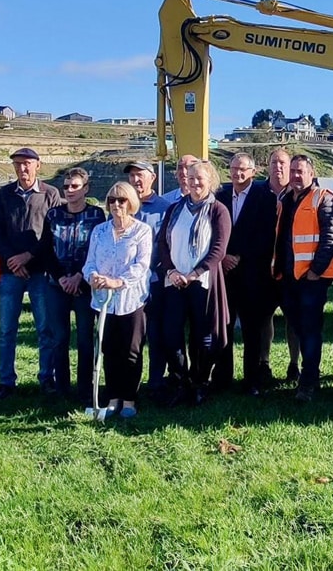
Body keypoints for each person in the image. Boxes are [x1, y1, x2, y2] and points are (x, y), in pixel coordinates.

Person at [157, 159, 231, 405]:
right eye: (191, 178)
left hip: (202, 283)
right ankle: (179, 380)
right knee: (171, 333)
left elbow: (219, 249)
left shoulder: (218, 210)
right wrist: (172, 272)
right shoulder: (174, 209)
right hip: (175, 282)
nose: (195, 182)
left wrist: (194, 273)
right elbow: (163, 244)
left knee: (202, 335)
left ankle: (200, 382)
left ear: (210, 181)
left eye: (200, 178)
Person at [0, 147, 61, 399]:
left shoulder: (50, 194)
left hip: (40, 272)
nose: (22, 168)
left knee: (45, 328)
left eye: (27, 164)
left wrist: (29, 256)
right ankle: (5, 381)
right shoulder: (5, 194)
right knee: (6, 329)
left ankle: (46, 378)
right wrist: (12, 259)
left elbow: (53, 234)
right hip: (10, 272)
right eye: (18, 164)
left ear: (38, 166)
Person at [273, 154, 333, 402]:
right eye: (293, 171)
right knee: (299, 328)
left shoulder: (324, 198)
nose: (296, 175)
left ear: (312, 174)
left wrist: (316, 271)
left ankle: (308, 382)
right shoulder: (285, 199)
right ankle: (309, 373)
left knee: (311, 330)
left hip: (311, 279)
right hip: (288, 277)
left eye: (300, 171)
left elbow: (331, 237)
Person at [82, 182, 152, 418]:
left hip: (131, 300)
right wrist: (92, 275)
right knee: (108, 349)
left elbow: (142, 266)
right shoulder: (99, 231)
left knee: (131, 351)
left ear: (130, 202)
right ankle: (112, 398)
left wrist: (118, 282)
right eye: (112, 200)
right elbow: (89, 262)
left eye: (121, 200)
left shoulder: (142, 231)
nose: (116, 205)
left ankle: (130, 400)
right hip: (103, 301)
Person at [40, 167, 105, 403]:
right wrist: (61, 278)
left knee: (85, 338)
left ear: (85, 189)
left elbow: (96, 251)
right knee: (59, 337)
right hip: (56, 284)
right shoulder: (53, 215)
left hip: (85, 285)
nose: (69, 191)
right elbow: (46, 250)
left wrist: (79, 276)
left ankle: (86, 388)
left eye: (75, 186)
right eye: (66, 186)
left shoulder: (97, 215)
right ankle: (62, 388)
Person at [215, 152, 278, 395]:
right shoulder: (219, 196)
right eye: (233, 168)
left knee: (252, 330)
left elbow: (266, 235)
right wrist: (224, 257)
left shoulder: (265, 198)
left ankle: (252, 380)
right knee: (225, 327)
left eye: (243, 169)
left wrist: (240, 255)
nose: (238, 173)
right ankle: (222, 377)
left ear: (253, 172)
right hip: (225, 274)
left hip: (253, 274)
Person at [124, 161, 171, 398]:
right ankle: (129, 384)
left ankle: (155, 382)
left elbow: (166, 246)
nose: (135, 181)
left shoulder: (165, 208)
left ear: (152, 177)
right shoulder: (122, 208)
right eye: (132, 176)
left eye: (140, 175)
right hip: (127, 286)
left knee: (156, 334)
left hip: (155, 282)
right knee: (131, 338)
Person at [260, 148, 300, 383]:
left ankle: (294, 364)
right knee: (264, 318)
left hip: (290, 270)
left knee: (294, 320)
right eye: (274, 162)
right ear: (268, 166)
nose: (279, 167)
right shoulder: (257, 193)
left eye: (283, 163)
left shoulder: (298, 194)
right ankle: (264, 363)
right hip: (263, 270)